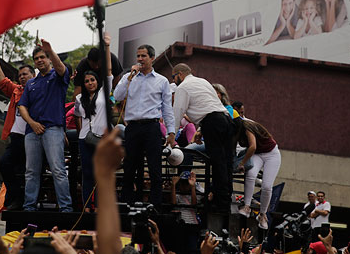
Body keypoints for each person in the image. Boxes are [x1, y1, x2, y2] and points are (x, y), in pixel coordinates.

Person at [113, 44, 175, 209]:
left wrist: (171, 131)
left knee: (155, 168)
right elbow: (117, 96)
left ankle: (155, 205)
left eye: (143, 56)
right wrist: (128, 77)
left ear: (152, 58)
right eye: (138, 56)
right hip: (132, 127)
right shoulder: (129, 77)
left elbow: (167, 108)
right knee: (130, 167)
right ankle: (128, 203)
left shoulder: (162, 81)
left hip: (152, 127)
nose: (140, 59)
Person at [18, 39, 72, 212]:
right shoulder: (31, 83)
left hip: (53, 129)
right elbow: (22, 106)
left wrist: (51, 50)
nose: (39, 60)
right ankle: (29, 207)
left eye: (43, 57)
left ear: (49, 59)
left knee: (58, 169)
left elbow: (62, 69)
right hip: (32, 131)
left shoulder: (57, 76)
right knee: (31, 172)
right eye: (36, 58)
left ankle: (65, 208)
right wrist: (32, 123)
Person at [172, 64, 234, 213]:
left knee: (218, 163)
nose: (174, 81)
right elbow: (211, 106)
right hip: (226, 121)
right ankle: (225, 201)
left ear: (180, 74)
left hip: (212, 123)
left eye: (173, 77)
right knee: (227, 163)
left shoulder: (183, 87)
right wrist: (200, 130)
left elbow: (177, 112)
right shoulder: (203, 81)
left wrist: (171, 135)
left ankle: (220, 204)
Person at [0, 41, 35, 211]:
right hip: (15, 137)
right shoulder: (16, 90)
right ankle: (16, 197)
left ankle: (22, 202)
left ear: (33, 75)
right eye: (20, 75)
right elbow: (2, 80)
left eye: (25, 74)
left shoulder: (39, 91)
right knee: (4, 164)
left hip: (31, 136)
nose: (22, 77)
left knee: (25, 171)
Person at [74, 33, 114, 211]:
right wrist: (81, 132)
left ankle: (99, 206)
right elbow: (77, 117)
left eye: (92, 80)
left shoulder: (104, 94)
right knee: (87, 173)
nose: (90, 83)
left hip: (102, 139)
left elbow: (109, 71)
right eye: (87, 81)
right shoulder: (79, 98)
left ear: (97, 82)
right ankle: (87, 206)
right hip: (84, 139)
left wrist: (106, 47)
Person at [234, 118, 281, 229]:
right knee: (250, 175)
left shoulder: (247, 128)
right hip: (258, 154)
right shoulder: (236, 131)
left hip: (271, 154)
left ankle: (263, 214)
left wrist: (242, 163)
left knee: (267, 186)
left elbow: (253, 147)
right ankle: (246, 206)